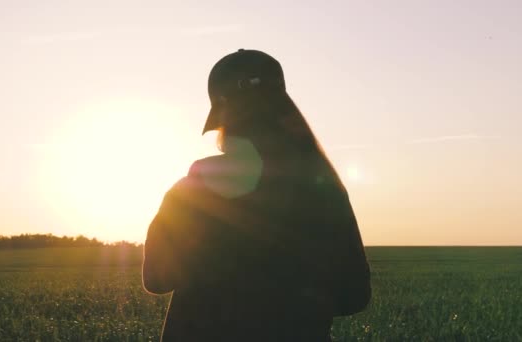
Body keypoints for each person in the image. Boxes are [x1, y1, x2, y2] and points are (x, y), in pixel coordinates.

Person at [143, 49, 371, 341]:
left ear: (221, 119)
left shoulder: (190, 193)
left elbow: (157, 279)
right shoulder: (325, 189)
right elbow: (355, 295)